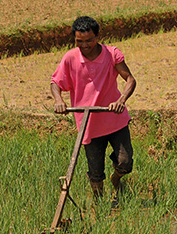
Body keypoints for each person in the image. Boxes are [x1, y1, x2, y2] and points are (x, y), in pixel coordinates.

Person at [50, 16, 137, 202]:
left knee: (125, 162)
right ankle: (99, 206)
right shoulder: (70, 58)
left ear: (98, 36)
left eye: (89, 40)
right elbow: (55, 83)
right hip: (88, 124)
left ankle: (116, 179)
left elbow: (130, 79)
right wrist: (58, 100)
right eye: (79, 41)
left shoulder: (112, 54)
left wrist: (121, 100)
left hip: (114, 118)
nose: (85, 45)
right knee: (95, 172)